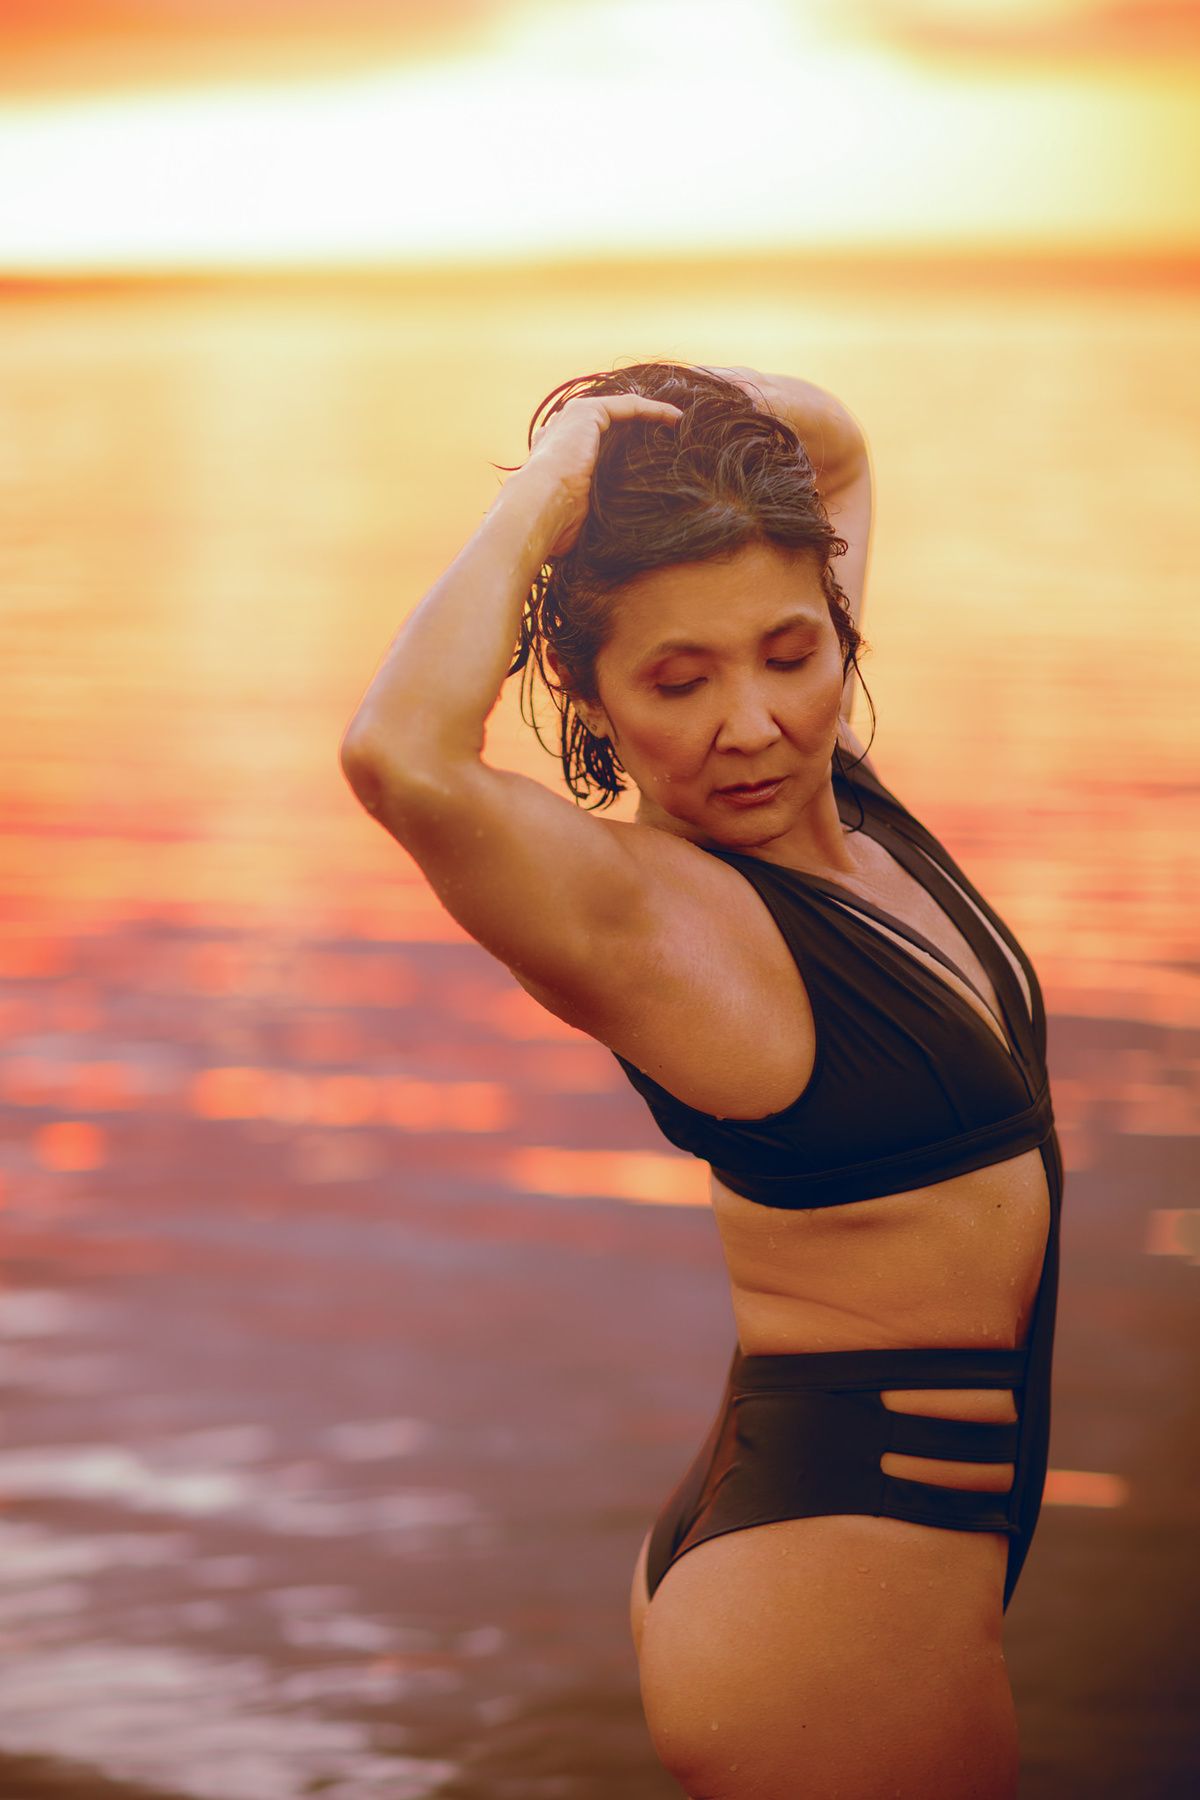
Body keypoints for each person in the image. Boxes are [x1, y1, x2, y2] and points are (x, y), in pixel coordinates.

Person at [340, 363, 1059, 1800]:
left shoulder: (831, 795)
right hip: (829, 1584)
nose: (752, 723)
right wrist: (554, 479)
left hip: (858, 1532)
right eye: (677, 681)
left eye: (790, 653)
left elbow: (836, 439)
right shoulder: (656, 921)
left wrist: (649, 417)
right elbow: (398, 756)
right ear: (581, 688)